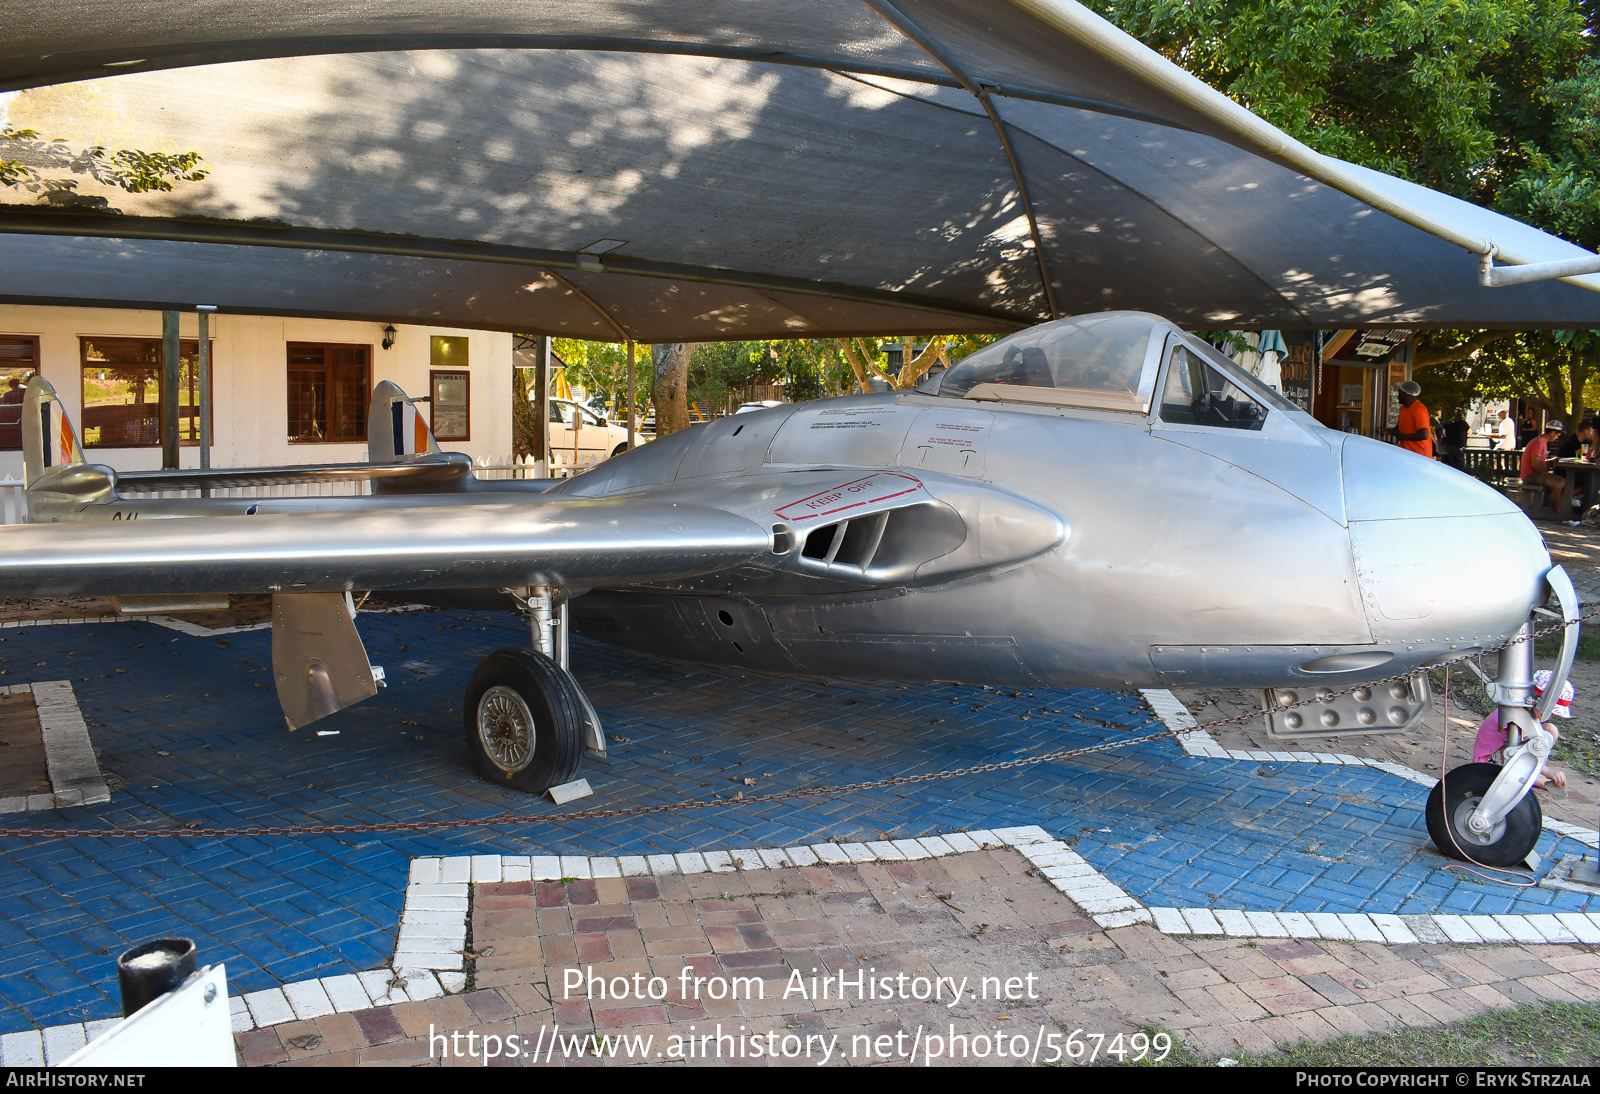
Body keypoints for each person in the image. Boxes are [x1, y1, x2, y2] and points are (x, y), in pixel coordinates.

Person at [1471, 669, 1570, 790]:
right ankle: (1529, 778)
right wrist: (1548, 772)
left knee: (1550, 729)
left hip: (1506, 752)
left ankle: (1532, 773)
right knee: (1527, 746)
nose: (1552, 715)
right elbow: (1514, 751)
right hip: (1489, 762)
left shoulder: (1526, 711)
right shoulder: (1515, 717)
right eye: (1550, 711)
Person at [1521, 420, 1568, 514]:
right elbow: (1535, 464)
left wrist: (1550, 461)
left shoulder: (1542, 442)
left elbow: (1539, 461)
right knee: (1557, 484)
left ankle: (1561, 510)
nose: (1557, 438)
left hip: (1537, 474)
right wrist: (1547, 475)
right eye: (1557, 435)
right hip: (1530, 475)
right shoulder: (1538, 442)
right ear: (1552, 433)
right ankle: (1556, 512)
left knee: (1566, 483)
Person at [1393, 379, 1432, 458]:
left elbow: (1423, 435)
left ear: (1406, 395)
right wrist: (1387, 431)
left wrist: (1404, 436)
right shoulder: (1403, 409)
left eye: (1399, 393)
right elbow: (1399, 429)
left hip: (1420, 455)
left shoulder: (1419, 409)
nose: (1398, 396)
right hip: (1408, 453)